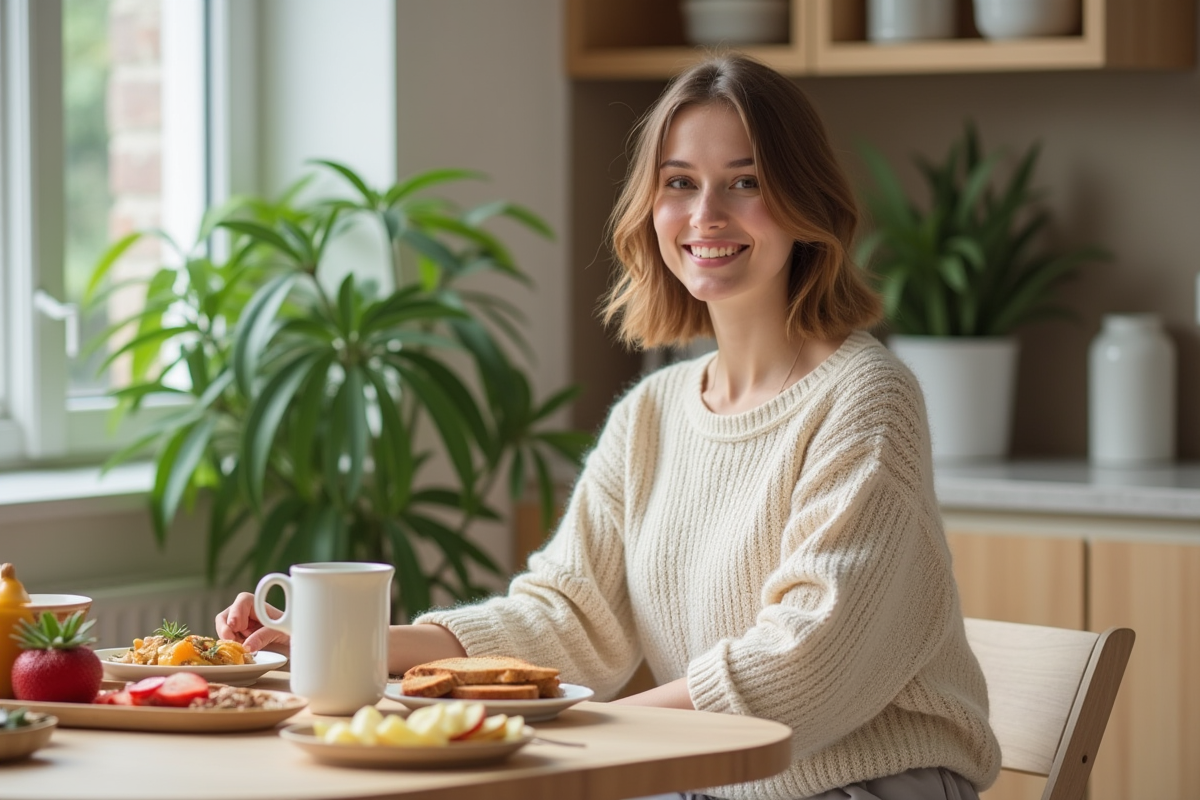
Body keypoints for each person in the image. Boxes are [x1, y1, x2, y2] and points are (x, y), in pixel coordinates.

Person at [217, 54, 1001, 800]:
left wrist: (578, 731)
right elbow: (564, 617)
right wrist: (342, 647)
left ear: (807, 205)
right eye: (680, 183)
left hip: (864, 786)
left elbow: (803, 669)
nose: (705, 215)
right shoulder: (652, 414)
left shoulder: (866, 397)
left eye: (746, 182)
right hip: (708, 780)